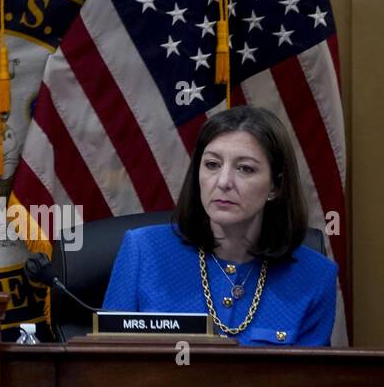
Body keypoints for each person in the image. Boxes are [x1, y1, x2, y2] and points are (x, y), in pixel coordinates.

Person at [102, 106, 338, 345]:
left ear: (275, 186)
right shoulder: (143, 251)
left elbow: (308, 380)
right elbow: (108, 368)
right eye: (212, 165)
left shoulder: (316, 276)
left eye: (245, 168)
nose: (223, 182)